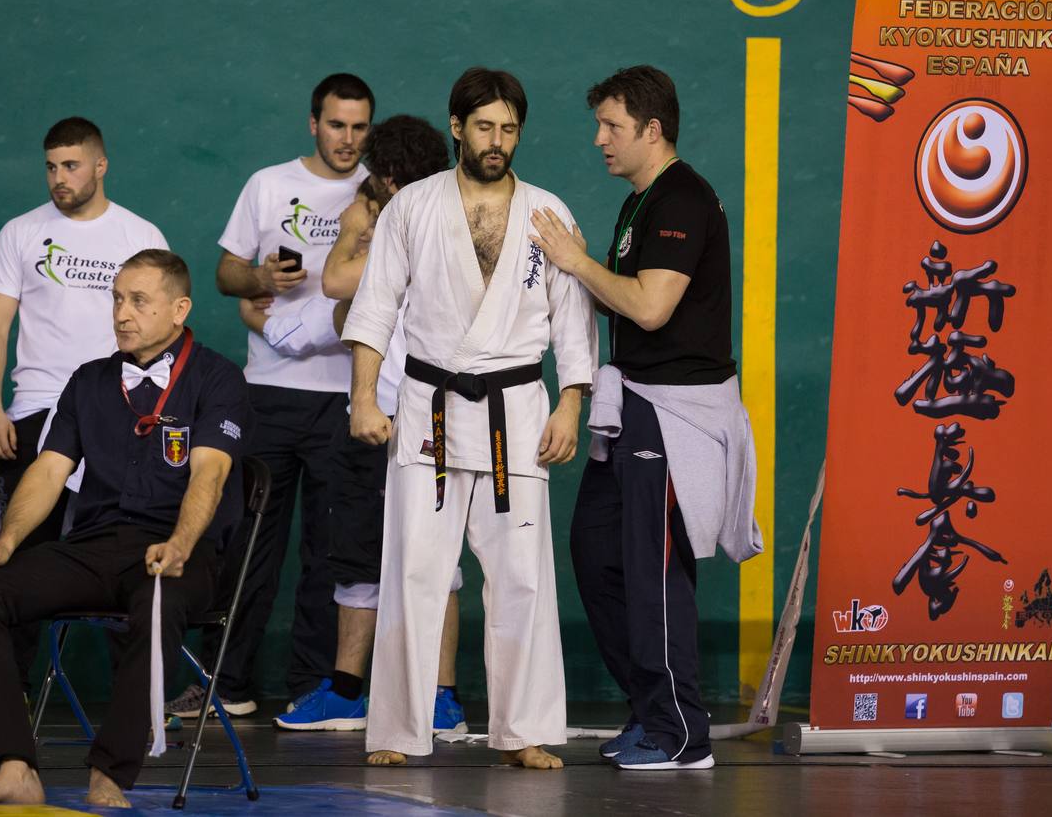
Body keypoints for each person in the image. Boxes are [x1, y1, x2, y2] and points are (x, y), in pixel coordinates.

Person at [342, 68, 597, 768]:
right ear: (456, 127)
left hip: (516, 409)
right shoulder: (412, 208)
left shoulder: (546, 211)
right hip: (427, 408)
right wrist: (363, 397)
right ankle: (396, 730)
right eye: (483, 126)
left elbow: (573, 321)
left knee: (520, 576)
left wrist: (571, 401)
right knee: (416, 571)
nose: (496, 140)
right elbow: (375, 307)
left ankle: (524, 731)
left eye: (508, 128)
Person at [0, 249, 250, 807]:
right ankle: (14, 767)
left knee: (155, 602)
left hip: (181, 552)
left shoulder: (218, 378)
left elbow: (210, 472)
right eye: (116, 299)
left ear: (179, 309)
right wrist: (7, 541)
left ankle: (110, 773)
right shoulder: (88, 381)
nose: (122, 314)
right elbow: (49, 470)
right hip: (93, 547)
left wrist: (181, 544)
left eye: (139, 301)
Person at [529, 65, 759, 771]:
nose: (599, 139)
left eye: (611, 126)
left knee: (654, 571)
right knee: (596, 553)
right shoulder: (640, 201)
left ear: (651, 131)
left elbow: (651, 306)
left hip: (674, 415)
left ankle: (680, 734)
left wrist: (573, 260)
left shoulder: (680, 199)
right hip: (634, 407)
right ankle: (649, 709)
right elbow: (625, 296)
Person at [167, 74, 373, 720]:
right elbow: (226, 272)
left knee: (329, 548)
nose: (347, 139)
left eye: (359, 126)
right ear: (313, 123)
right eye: (336, 125)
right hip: (268, 394)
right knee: (245, 542)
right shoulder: (268, 184)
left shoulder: (381, 194)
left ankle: (312, 689)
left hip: (347, 394)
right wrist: (257, 276)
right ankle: (226, 683)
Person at [273, 114, 466, 732]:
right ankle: (349, 689)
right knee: (355, 554)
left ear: (383, 177)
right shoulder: (398, 223)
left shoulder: (432, 228)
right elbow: (339, 308)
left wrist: (360, 223)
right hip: (369, 411)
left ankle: (441, 698)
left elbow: (332, 280)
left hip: (435, 415)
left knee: (439, 561)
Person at [0, 117, 168, 694]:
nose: (60, 178)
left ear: (100, 165)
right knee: (17, 560)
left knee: (125, 554)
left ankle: (140, 704)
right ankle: (8, 699)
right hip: (33, 417)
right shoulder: (20, 233)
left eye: (72, 165)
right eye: (52, 167)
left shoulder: (140, 234)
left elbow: (162, 332)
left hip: (121, 418)